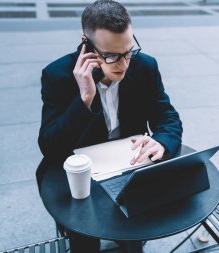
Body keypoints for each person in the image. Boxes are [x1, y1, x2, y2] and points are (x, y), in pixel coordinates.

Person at [36, 0, 183, 252]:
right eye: (112, 55)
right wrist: (84, 99)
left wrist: (161, 141)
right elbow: (51, 148)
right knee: (84, 242)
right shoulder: (57, 75)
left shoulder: (145, 66)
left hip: (128, 167)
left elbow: (167, 117)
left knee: (133, 238)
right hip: (79, 175)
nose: (124, 64)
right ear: (86, 44)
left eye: (128, 51)